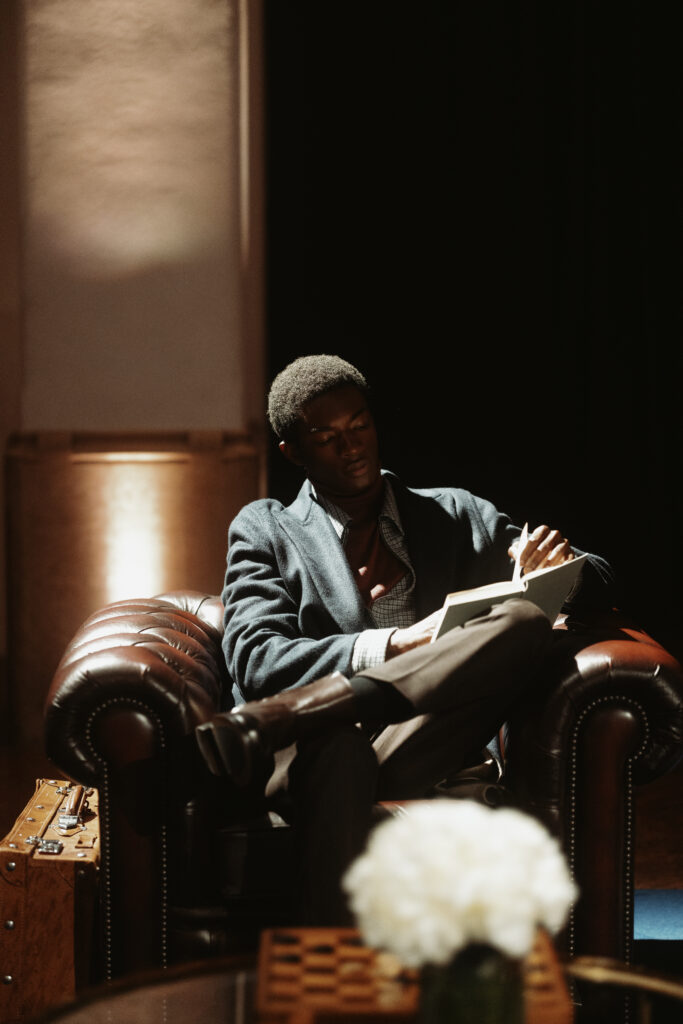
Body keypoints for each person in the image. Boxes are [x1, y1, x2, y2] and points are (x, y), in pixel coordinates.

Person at [196, 354, 615, 925]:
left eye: (360, 425)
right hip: (313, 750)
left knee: (522, 621)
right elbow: (256, 659)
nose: (352, 447)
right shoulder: (266, 528)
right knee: (338, 747)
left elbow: (602, 578)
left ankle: (316, 708)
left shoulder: (456, 514)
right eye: (327, 438)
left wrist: (558, 568)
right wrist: (394, 646)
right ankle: (339, 967)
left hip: (418, 742)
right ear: (293, 452)